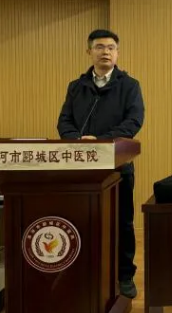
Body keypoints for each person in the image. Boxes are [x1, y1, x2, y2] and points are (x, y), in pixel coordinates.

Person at [57, 29, 144, 299]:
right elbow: (64, 121)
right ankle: (85, 273)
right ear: (89, 52)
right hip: (82, 167)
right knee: (83, 221)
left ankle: (125, 275)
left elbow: (134, 121)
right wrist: (78, 140)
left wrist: (102, 141)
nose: (105, 52)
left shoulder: (129, 85)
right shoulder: (77, 86)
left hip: (118, 165)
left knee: (123, 222)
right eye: (99, 47)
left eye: (110, 47)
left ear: (117, 53)